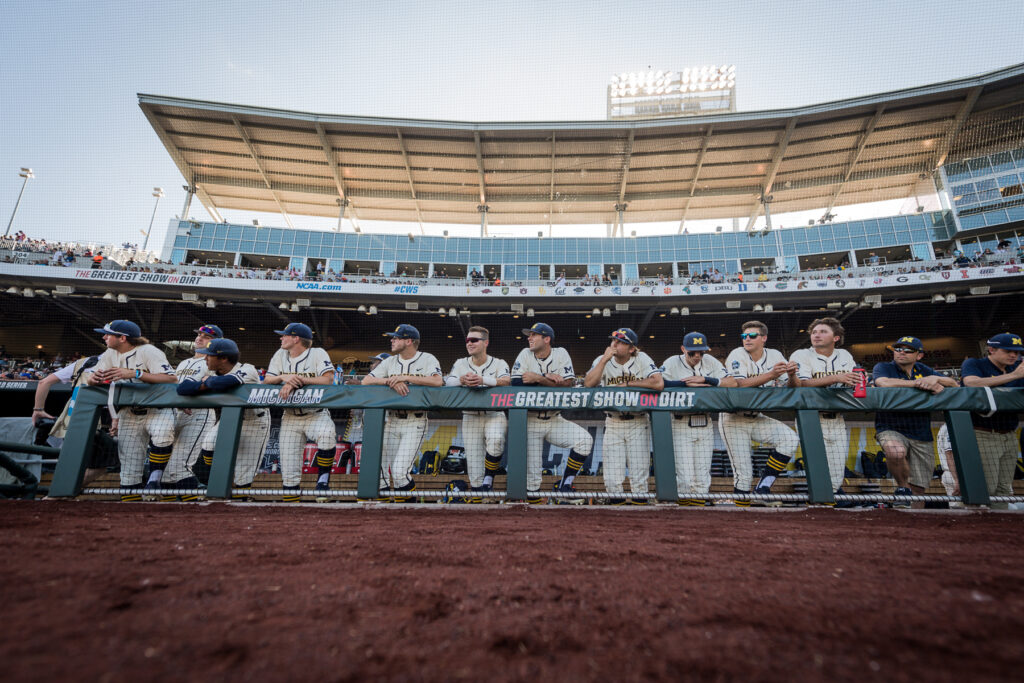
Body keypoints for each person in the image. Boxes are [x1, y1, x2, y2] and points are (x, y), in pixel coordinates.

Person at [85, 320, 176, 501]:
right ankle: (131, 513)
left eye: (108, 334)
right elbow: (90, 378)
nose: (104, 337)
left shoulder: (149, 351)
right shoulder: (110, 353)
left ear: (122, 338)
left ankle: (155, 477)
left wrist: (135, 373)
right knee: (129, 468)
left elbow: (171, 378)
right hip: (128, 413)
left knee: (162, 434)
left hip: (157, 409)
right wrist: (93, 378)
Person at [177, 338, 271, 501]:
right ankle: (221, 480)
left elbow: (228, 381)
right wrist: (211, 383)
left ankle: (242, 502)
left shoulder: (247, 369)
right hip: (228, 418)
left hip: (254, 421)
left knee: (244, 474)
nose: (205, 358)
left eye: (209, 356)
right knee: (208, 445)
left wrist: (207, 383)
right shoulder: (208, 369)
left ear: (224, 358)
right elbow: (182, 388)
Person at [510, 323, 594, 503]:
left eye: (534, 335)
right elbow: (517, 383)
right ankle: (533, 513)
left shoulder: (561, 353)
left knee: (585, 440)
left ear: (546, 339)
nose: (529, 338)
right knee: (533, 479)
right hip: (531, 420)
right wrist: (550, 378)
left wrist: (539, 377)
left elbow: (568, 384)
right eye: (529, 335)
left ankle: (565, 484)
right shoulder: (525, 354)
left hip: (555, 419)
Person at [720, 321, 800, 506]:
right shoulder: (737, 354)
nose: (747, 339)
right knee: (744, 473)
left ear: (763, 338)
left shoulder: (775, 355)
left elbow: (791, 387)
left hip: (757, 417)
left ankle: (763, 488)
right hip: (733, 419)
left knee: (789, 439)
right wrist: (771, 375)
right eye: (744, 336)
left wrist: (791, 375)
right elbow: (738, 385)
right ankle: (741, 511)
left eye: (752, 335)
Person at [872, 336, 958, 508]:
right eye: (898, 348)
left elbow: (954, 385)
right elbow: (883, 383)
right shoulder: (884, 367)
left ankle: (914, 525)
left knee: (918, 489)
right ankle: (902, 488)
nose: (901, 352)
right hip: (890, 425)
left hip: (921, 431)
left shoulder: (924, 369)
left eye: (908, 350)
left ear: (919, 356)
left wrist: (936, 379)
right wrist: (919, 383)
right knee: (895, 451)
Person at [362, 324, 443, 501]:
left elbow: (438, 381)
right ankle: (401, 512)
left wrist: (405, 377)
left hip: (415, 421)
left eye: (396, 338)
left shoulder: (427, 358)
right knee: (388, 473)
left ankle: (411, 508)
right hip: (392, 420)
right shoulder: (390, 361)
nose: (392, 340)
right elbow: (366, 381)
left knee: (399, 472)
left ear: (408, 341)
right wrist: (390, 381)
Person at [583, 328, 663, 504]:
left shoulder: (642, 358)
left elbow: (658, 383)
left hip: (638, 420)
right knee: (612, 476)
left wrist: (628, 384)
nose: (614, 344)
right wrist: (604, 359)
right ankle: (616, 518)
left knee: (639, 475)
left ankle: (640, 516)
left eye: (620, 342)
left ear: (631, 348)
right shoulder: (602, 360)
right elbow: (588, 384)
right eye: (613, 340)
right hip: (613, 421)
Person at [660, 331, 737, 506]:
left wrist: (706, 379)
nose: (697, 356)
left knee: (702, 476)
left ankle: (698, 515)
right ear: (683, 349)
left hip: (705, 422)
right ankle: (686, 513)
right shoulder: (672, 362)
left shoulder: (710, 361)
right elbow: (658, 382)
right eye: (692, 352)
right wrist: (683, 384)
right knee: (685, 476)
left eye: (701, 352)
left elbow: (732, 382)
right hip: (680, 422)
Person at [263, 322, 336, 502]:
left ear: (296, 339)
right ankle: (291, 504)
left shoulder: (317, 353)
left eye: (284, 335)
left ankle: (323, 482)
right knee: (288, 469)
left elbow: (328, 380)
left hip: (316, 414)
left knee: (327, 435)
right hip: (290, 417)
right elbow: (267, 379)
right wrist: (283, 377)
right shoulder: (280, 354)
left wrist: (298, 380)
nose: (281, 338)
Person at [788, 317, 861, 498]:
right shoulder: (801, 354)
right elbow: (801, 384)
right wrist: (837, 378)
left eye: (823, 332)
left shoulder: (844, 355)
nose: (817, 335)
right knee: (817, 463)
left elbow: (853, 380)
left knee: (837, 467)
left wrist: (855, 380)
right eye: (814, 332)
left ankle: (831, 503)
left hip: (837, 417)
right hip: (811, 417)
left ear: (836, 338)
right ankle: (819, 501)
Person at [444, 326, 510, 500]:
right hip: (470, 416)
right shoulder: (460, 363)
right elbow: (448, 382)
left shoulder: (499, 362)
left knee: (496, 441)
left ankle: (489, 478)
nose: (470, 343)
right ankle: (479, 506)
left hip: (494, 414)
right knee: (473, 466)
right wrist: (461, 380)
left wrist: (483, 380)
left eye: (474, 340)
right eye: (467, 340)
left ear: (486, 342)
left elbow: (507, 381)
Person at [959, 333, 1024, 510]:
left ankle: (998, 526)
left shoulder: (1016, 368)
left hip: (1009, 434)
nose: (1014, 356)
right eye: (1008, 351)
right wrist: (1014, 376)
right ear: (992, 349)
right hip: (984, 432)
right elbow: (972, 383)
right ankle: (978, 525)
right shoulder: (975, 364)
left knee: (1004, 487)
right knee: (988, 486)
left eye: (1017, 353)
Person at [159, 324, 223, 501]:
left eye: (206, 336)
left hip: (199, 413)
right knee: (165, 472)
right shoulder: (184, 362)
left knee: (180, 465)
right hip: (176, 413)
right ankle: (169, 513)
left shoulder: (213, 362)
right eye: (199, 335)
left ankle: (195, 508)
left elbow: (211, 387)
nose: (199, 338)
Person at [32, 354, 113, 486]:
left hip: (73, 417)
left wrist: (38, 409)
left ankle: (61, 492)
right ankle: (63, 491)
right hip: (98, 419)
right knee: (106, 461)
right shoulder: (121, 363)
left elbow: (44, 382)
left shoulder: (83, 362)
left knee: (72, 462)